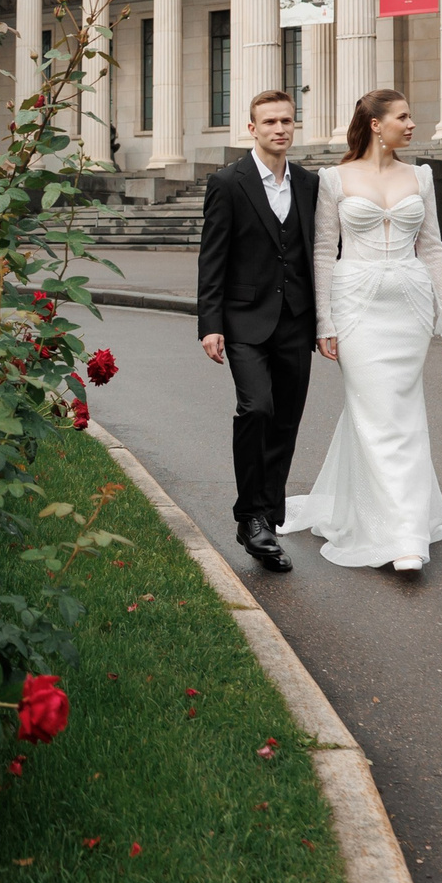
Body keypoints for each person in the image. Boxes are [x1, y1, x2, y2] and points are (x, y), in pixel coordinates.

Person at [281, 88, 442, 574]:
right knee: (376, 413)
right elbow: (323, 251)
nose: (411, 124)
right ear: (375, 124)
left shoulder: (419, 176)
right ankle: (400, 532)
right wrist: (325, 321)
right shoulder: (334, 179)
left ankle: (402, 529)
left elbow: (433, 250)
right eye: (403, 117)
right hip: (355, 304)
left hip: (409, 305)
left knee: (399, 414)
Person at [195, 88, 319, 573]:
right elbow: (213, 257)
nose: (279, 129)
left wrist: (324, 321)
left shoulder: (309, 183)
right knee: (257, 408)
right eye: (269, 122)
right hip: (244, 320)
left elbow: (316, 254)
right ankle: (251, 516)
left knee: (285, 422)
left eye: (286, 121)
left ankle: (266, 518)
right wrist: (210, 324)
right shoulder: (228, 182)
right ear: (252, 128)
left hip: (297, 321)